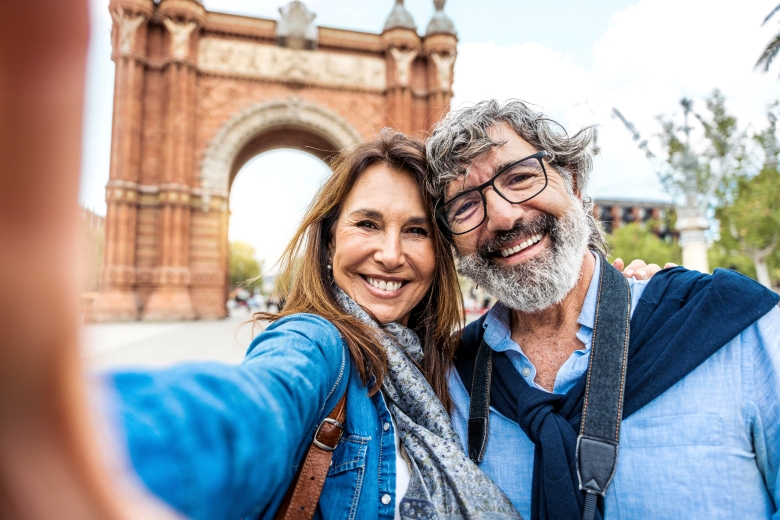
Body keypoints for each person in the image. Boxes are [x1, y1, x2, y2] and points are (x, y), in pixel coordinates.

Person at [425, 99, 780, 520]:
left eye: (519, 177)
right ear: (451, 242)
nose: (502, 217)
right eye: (465, 205)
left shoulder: (727, 328)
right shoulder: (448, 379)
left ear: (572, 183)